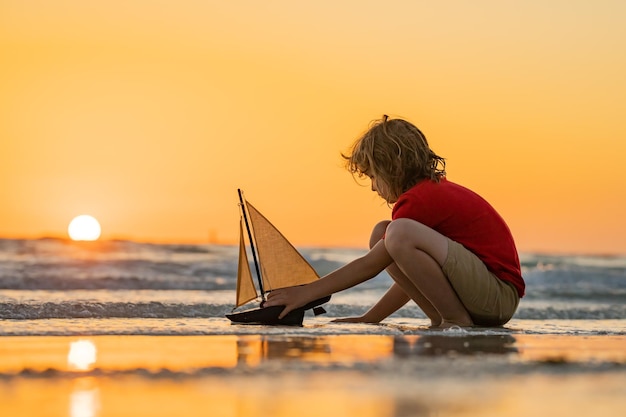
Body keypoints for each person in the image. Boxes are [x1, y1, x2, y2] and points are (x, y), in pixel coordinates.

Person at [265, 115, 525, 328]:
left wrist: (306, 293)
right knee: (384, 233)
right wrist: (373, 317)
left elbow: (369, 265)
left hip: (497, 296)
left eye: (372, 176)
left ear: (392, 168)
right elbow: (420, 274)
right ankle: (445, 317)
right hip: (488, 300)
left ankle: (455, 319)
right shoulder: (425, 199)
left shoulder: (421, 200)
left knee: (396, 233)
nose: (373, 188)